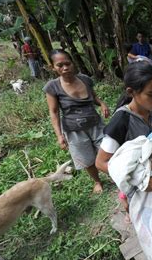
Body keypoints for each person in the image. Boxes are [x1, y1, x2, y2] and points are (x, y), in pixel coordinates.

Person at [95, 61, 152, 220]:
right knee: (145, 218)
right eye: (151, 94)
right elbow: (101, 162)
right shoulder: (121, 121)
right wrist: (140, 180)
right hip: (137, 183)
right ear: (131, 92)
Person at [44, 49, 110, 194]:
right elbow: (54, 112)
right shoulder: (52, 87)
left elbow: (93, 96)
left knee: (107, 150)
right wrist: (59, 136)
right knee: (87, 159)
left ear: (72, 63)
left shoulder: (85, 79)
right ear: (53, 67)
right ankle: (97, 181)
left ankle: (115, 174)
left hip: (96, 124)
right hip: (74, 130)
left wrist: (102, 103)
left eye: (67, 63)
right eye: (59, 65)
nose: (65, 68)